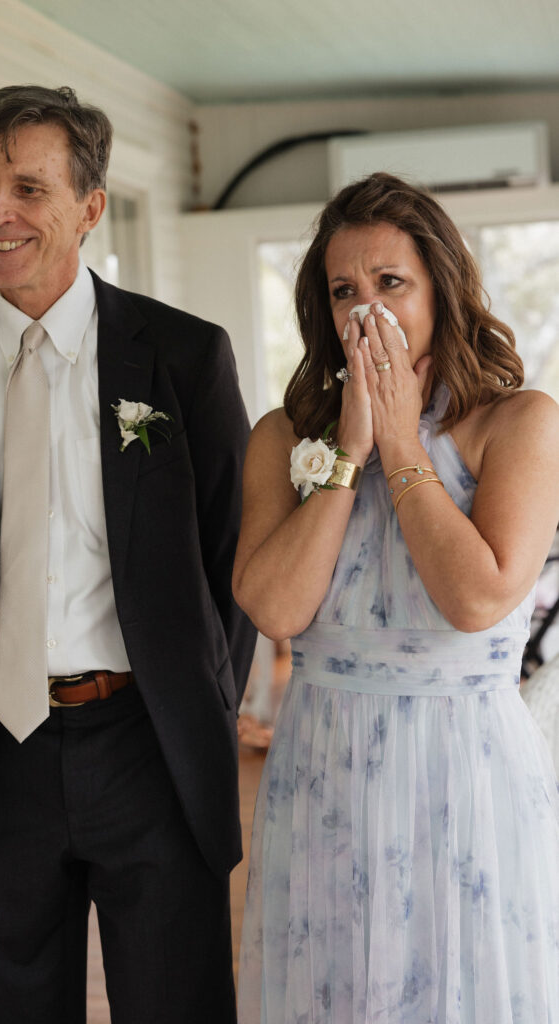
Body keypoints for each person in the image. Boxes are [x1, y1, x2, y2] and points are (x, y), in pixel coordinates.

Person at [0, 84, 256, 1024]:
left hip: (151, 749)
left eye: (27, 187)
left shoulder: (183, 356)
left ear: (90, 206)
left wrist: (197, 700)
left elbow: (234, 560)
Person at [233, 172, 559, 1023]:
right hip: (322, 768)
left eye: (389, 283)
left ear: (441, 290)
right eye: (343, 290)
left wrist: (401, 440)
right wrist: (346, 452)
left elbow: (477, 599)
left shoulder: (517, 421)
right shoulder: (283, 434)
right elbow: (273, 609)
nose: (363, 310)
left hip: (461, 771)